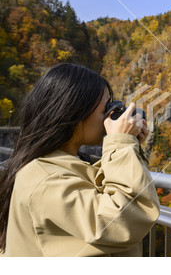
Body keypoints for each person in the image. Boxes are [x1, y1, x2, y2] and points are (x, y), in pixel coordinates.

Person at [0, 63, 160, 256]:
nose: (111, 114)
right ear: (74, 111)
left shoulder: (52, 166)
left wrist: (127, 147)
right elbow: (125, 220)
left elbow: (104, 188)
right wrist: (121, 145)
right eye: (106, 107)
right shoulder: (46, 179)